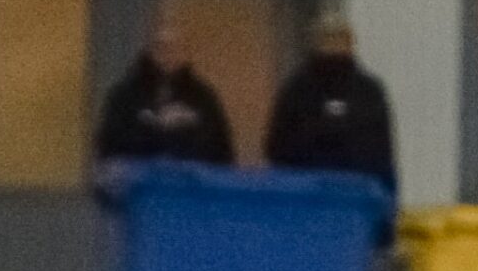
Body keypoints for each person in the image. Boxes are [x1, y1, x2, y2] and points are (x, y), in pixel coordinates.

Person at [262, 14, 396, 194]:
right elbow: (277, 148)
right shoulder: (297, 91)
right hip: (306, 195)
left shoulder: (369, 92)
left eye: (339, 38)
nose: (334, 45)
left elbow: (383, 153)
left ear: (350, 42)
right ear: (316, 42)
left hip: (357, 195)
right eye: (328, 38)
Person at [94, 19, 235, 167]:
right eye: (161, 46)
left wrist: (183, 127)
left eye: (176, 47)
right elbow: (109, 145)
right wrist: (152, 126)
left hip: (190, 178)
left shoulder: (203, 98)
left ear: (187, 52)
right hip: (139, 177)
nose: (168, 54)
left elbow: (220, 150)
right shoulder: (124, 96)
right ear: (149, 50)